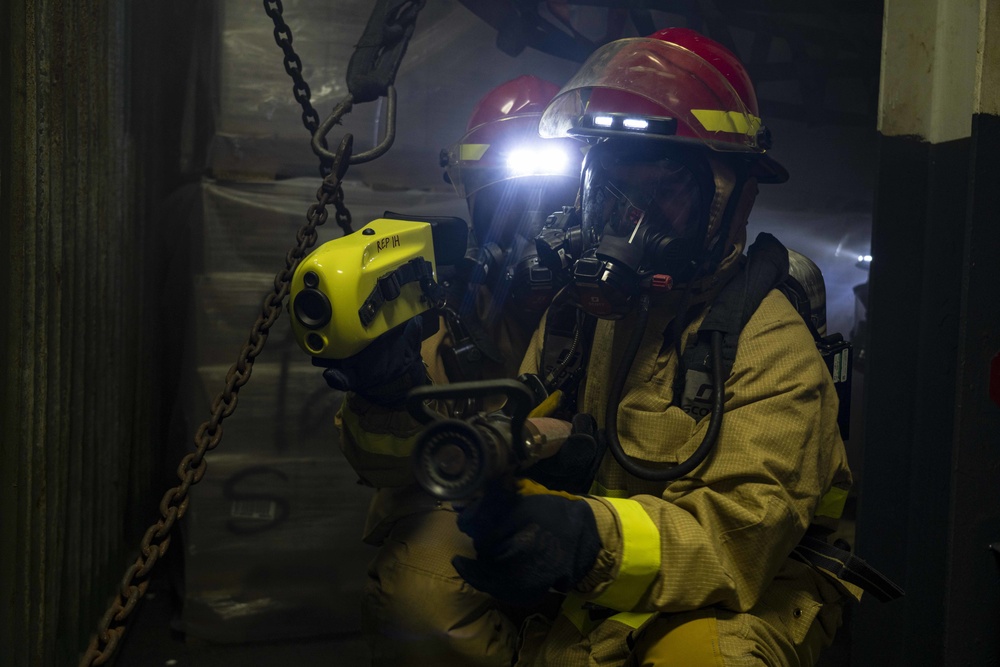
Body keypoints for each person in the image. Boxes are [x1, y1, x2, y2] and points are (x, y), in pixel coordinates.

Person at [449, 29, 879, 666]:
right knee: (433, 584)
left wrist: (582, 540)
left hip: (739, 593)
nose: (630, 221)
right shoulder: (582, 316)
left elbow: (737, 539)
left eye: (665, 194)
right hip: (617, 573)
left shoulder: (773, 344)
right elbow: (542, 416)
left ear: (734, 200)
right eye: (616, 191)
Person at [325, 75, 583, 665]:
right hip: (487, 507)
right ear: (472, 200)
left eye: (559, 204)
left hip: (611, 510)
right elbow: (380, 461)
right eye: (509, 205)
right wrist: (388, 392)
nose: (536, 231)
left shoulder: (636, 304)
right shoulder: (437, 307)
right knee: (420, 598)